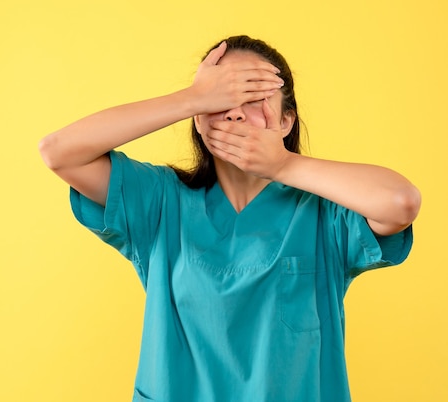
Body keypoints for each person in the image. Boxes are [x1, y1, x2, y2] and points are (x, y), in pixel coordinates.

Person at [38, 35, 421, 402]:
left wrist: (283, 164)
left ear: (287, 122)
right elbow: (60, 152)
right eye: (221, 99)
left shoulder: (324, 213)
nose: (236, 111)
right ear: (199, 121)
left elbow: (400, 202)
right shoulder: (160, 201)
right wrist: (192, 97)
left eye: (254, 98)